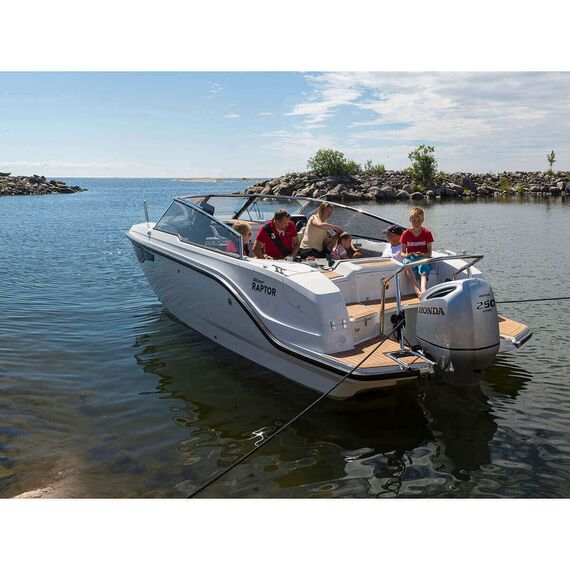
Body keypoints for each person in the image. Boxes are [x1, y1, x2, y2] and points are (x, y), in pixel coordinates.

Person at [400, 207, 434, 298]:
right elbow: (402, 253)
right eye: (414, 220)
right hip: (411, 258)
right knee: (406, 263)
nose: (416, 223)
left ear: (422, 220)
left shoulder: (427, 233)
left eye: (419, 220)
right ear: (410, 220)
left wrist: (422, 254)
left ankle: (423, 291)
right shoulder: (406, 234)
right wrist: (406, 255)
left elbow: (429, 254)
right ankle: (417, 290)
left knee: (423, 268)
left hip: (422, 258)